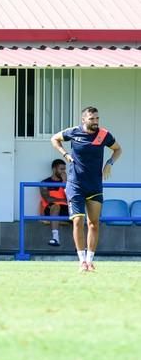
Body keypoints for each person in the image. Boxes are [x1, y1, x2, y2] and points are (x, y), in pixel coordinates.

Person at [51, 106, 122, 272]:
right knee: (77, 221)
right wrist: (65, 154)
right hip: (75, 184)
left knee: (93, 224)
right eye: (92, 119)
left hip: (95, 185)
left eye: (97, 118)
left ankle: (90, 261)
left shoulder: (104, 135)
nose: (95, 122)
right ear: (84, 119)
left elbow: (118, 149)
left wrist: (109, 164)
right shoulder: (74, 132)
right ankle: (81, 261)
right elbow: (54, 139)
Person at [39, 159, 68, 247]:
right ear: (54, 169)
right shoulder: (45, 182)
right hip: (50, 209)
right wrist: (62, 201)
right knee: (56, 206)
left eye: (64, 169)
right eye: (61, 169)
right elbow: (48, 199)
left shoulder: (68, 183)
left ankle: (79, 246)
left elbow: (71, 198)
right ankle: (55, 238)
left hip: (66, 208)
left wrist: (65, 183)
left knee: (78, 213)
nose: (63, 172)